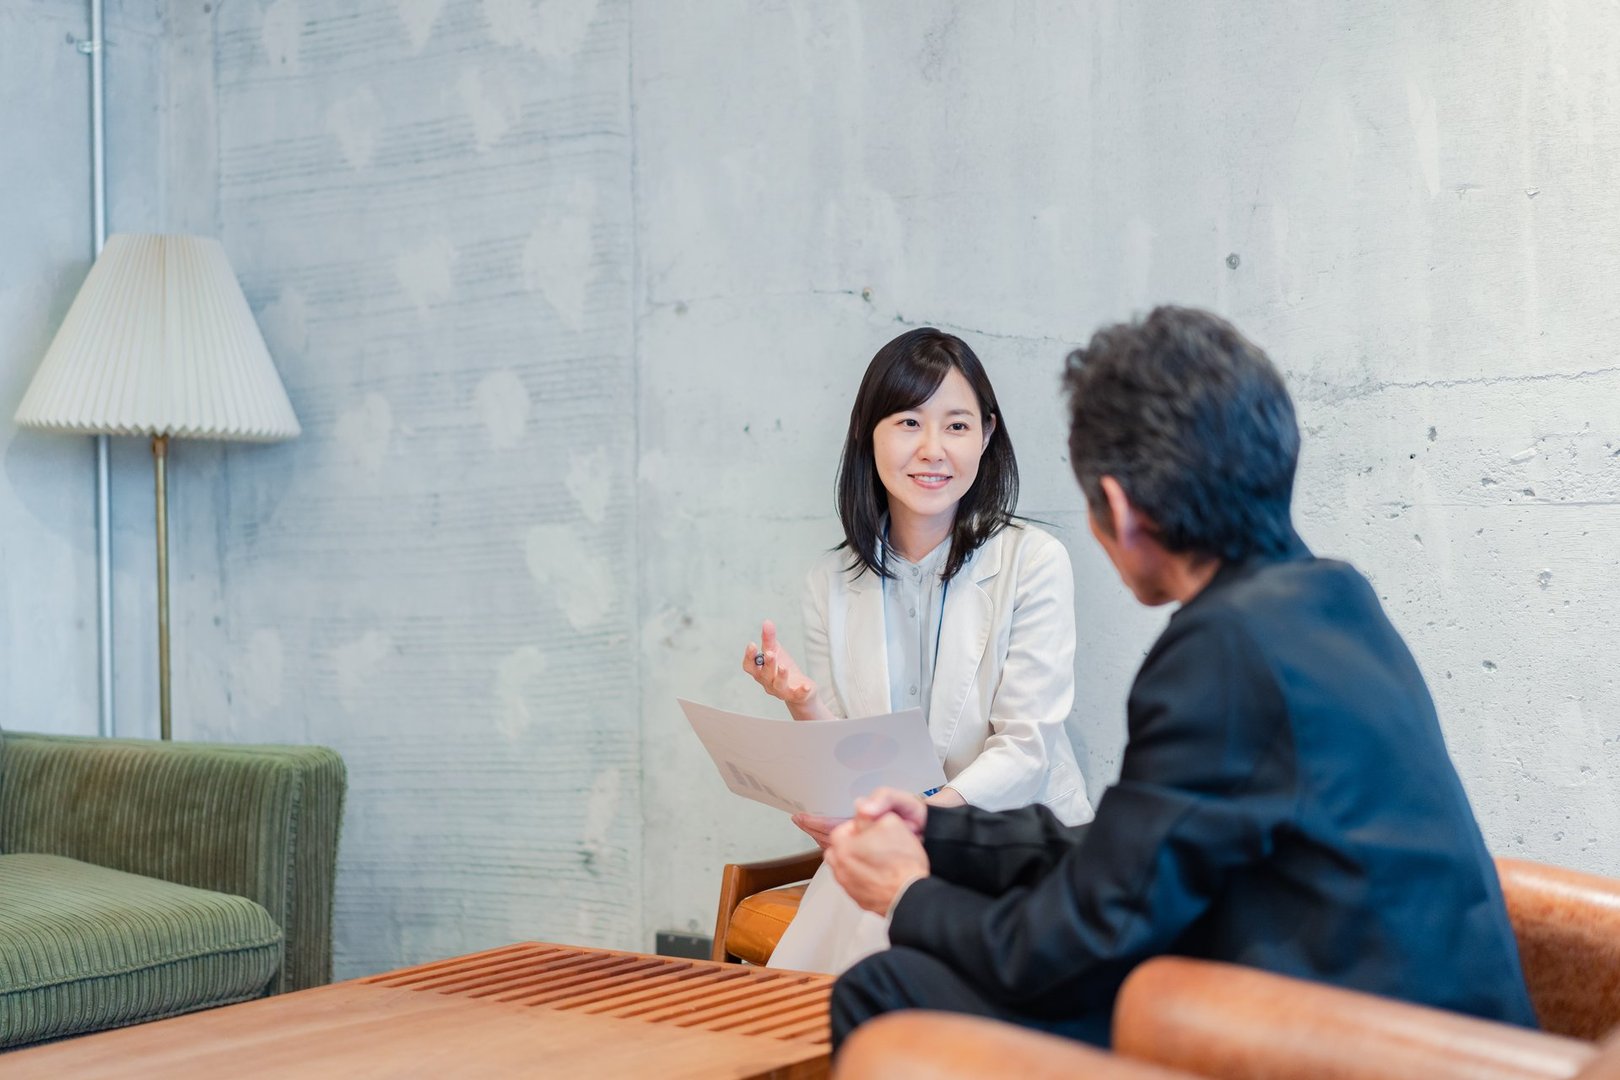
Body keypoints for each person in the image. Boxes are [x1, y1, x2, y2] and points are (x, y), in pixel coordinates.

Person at [821, 306, 1537, 1048]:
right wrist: (942, 832)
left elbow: (1080, 936)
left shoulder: (1221, 652)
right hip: (1428, 1026)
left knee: (890, 987)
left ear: (1122, 512)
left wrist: (908, 898)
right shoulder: (1333, 598)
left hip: (1349, 1047)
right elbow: (1134, 857)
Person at [741, 327, 1093, 975]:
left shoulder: (1033, 561)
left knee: (885, 950)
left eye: (956, 426)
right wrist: (804, 701)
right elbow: (856, 759)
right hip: (898, 843)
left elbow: (1025, 753)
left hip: (1009, 843)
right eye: (908, 422)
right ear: (866, 435)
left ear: (986, 436)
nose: (933, 450)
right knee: (823, 975)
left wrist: (922, 822)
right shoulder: (833, 583)